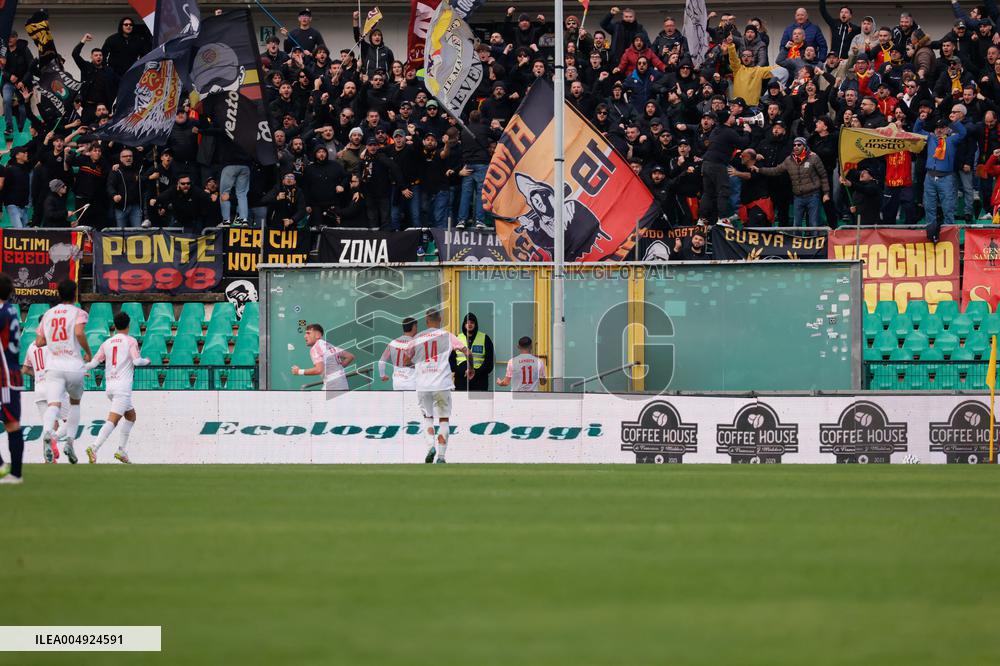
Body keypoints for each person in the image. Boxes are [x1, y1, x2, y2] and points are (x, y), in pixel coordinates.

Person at [403, 309, 473, 464]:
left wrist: (419, 365)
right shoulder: (448, 336)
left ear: (426, 321)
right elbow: (468, 353)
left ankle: (430, 447)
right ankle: (441, 456)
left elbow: (406, 361)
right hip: (442, 384)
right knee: (444, 419)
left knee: (428, 418)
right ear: (440, 319)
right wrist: (471, 368)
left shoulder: (417, 338)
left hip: (423, 385)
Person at [35, 279, 91, 465]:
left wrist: (53, 340)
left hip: (53, 367)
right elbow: (79, 333)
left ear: (58, 294)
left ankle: (47, 432)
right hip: (73, 365)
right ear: (75, 294)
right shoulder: (79, 312)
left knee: (53, 405)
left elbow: (39, 342)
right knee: (75, 404)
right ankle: (69, 442)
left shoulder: (48, 314)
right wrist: (88, 352)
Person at [83, 312, 150, 464]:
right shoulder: (130, 341)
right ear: (128, 325)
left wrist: (80, 368)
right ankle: (94, 447)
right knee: (112, 421)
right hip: (122, 388)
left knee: (131, 416)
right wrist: (147, 360)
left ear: (114, 325)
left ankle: (121, 450)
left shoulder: (106, 343)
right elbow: (137, 361)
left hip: (110, 387)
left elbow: (93, 363)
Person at [753, 136, 831, 227]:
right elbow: (776, 170)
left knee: (813, 223)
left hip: (813, 195)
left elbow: (823, 176)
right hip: (798, 197)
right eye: (794, 145)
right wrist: (759, 170)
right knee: (796, 224)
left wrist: (826, 193)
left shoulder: (813, 158)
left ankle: (815, 236)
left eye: (799, 145)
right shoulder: (789, 160)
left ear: (804, 146)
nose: (796, 147)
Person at [913, 113, 968, 242]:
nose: (939, 130)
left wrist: (955, 122)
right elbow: (917, 131)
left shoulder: (952, 140)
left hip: (946, 178)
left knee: (948, 208)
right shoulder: (930, 138)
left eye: (942, 127)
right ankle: (931, 235)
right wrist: (920, 119)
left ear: (948, 129)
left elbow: (963, 133)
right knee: (929, 207)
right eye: (937, 127)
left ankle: (950, 237)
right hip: (929, 177)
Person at [21, 341, 69, 463]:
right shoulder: (53, 343)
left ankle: (48, 459)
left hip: (39, 390)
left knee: (48, 426)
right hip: (54, 387)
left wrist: (38, 374)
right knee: (71, 421)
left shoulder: (31, 346)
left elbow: (25, 369)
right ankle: (54, 440)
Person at [0, 274, 25, 485]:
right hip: (11, 372)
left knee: (12, 424)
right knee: (11, 423)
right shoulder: (10, 311)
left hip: (5, 376)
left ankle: (14, 474)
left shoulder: (2, 313)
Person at [291, 323, 355, 391]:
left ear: (318, 335)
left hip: (331, 388)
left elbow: (319, 370)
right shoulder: (330, 346)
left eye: (308, 333)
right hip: (343, 386)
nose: (305, 336)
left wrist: (299, 371)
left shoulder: (316, 347)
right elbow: (350, 356)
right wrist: (336, 369)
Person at [454, 312, 495, 392]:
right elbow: (451, 360)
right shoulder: (457, 338)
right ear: (464, 324)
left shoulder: (485, 338)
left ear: (475, 324)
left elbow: (489, 360)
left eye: (472, 322)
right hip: (461, 379)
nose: (469, 324)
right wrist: (460, 371)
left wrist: (477, 372)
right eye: (467, 322)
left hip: (479, 380)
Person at [378, 317, 417, 391]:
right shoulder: (416, 343)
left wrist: (382, 375)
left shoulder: (393, 343)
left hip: (397, 382)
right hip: (412, 382)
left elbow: (381, 361)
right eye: (416, 326)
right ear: (414, 327)